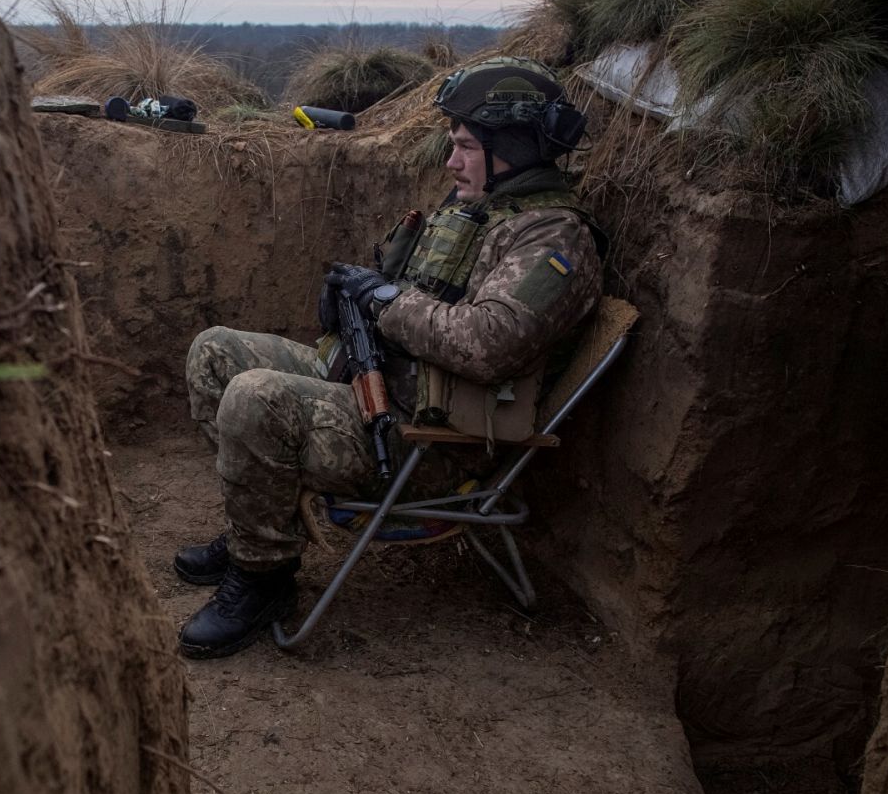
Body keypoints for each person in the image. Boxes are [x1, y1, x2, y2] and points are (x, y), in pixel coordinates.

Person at [174, 57, 604, 659]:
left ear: (513, 144)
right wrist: (353, 295)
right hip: (372, 386)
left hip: (425, 441)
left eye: (465, 147)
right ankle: (260, 526)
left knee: (254, 398)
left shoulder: (553, 240)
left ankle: (263, 578)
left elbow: (489, 343)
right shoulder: (474, 212)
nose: (451, 162)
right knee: (214, 351)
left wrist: (385, 300)